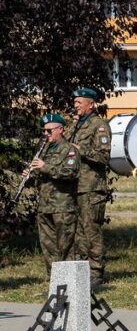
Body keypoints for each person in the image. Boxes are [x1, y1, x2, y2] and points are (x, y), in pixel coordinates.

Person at [23, 114, 79, 273]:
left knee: (66, 246)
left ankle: (68, 282)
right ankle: (54, 281)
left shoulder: (69, 149)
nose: (46, 134)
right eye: (44, 131)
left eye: (49, 131)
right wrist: (29, 176)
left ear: (60, 129)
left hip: (62, 206)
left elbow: (71, 173)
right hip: (45, 205)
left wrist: (44, 167)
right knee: (48, 246)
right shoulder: (45, 149)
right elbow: (42, 175)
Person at [67, 87, 110, 287]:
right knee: (78, 233)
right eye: (75, 102)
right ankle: (82, 271)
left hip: (91, 187)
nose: (75, 105)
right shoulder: (76, 125)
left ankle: (96, 273)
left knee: (91, 231)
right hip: (75, 185)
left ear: (91, 104)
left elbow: (103, 156)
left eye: (79, 102)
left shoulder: (99, 125)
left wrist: (80, 149)